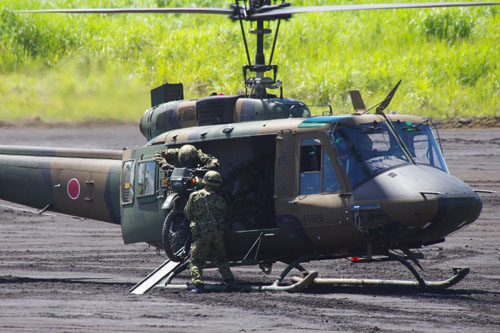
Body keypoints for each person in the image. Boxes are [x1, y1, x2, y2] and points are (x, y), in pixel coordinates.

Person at [184, 170, 235, 293]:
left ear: (205, 181)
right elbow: (225, 214)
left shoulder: (194, 196)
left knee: (195, 261)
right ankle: (229, 281)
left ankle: (198, 285)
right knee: (221, 259)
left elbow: (187, 213)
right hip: (217, 233)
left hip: (202, 233)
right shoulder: (221, 200)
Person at [153, 144, 220, 170]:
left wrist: (212, 164)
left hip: (195, 173)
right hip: (178, 175)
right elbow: (157, 154)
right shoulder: (174, 153)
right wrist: (163, 163)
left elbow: (213, 160)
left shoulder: (198, 154)